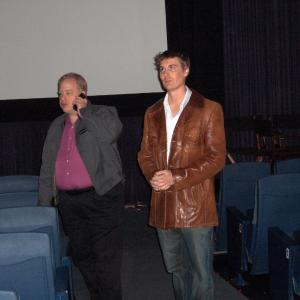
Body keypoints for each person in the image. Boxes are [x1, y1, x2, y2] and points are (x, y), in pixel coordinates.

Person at [138, 50, 226, 300]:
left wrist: (175, 176)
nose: (165, 74)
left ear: (186, 70)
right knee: (177, 271)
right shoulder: (152, 112)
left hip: (196, 207)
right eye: (162, 69)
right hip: (164, 205)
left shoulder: (208, 109)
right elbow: (144, 155)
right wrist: (154, 175)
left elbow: (216, 158)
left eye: (172, 67)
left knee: (201, 275)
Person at [38, 72, 124, 300]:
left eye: (68, 93)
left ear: (82, 93)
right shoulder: (57, 125)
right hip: (69, 202)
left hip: (101, 198)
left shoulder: (103, 113)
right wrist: (44, 205)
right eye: (60, 94)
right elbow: (47, 167)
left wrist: (84, 111)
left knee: (106, 259)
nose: (62, 98)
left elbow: (110, 134)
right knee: (83, 257)